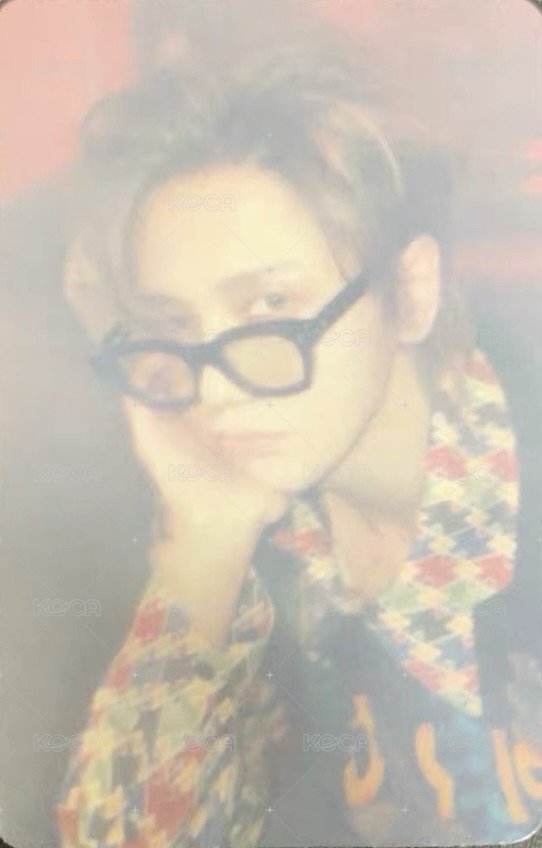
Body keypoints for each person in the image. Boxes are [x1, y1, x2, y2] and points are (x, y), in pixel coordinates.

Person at [54, 8, 542, 847]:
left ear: (410, 292)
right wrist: (203, 546)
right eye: (176, 324)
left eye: (269, 306)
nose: (212, 389)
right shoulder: (254, 545)